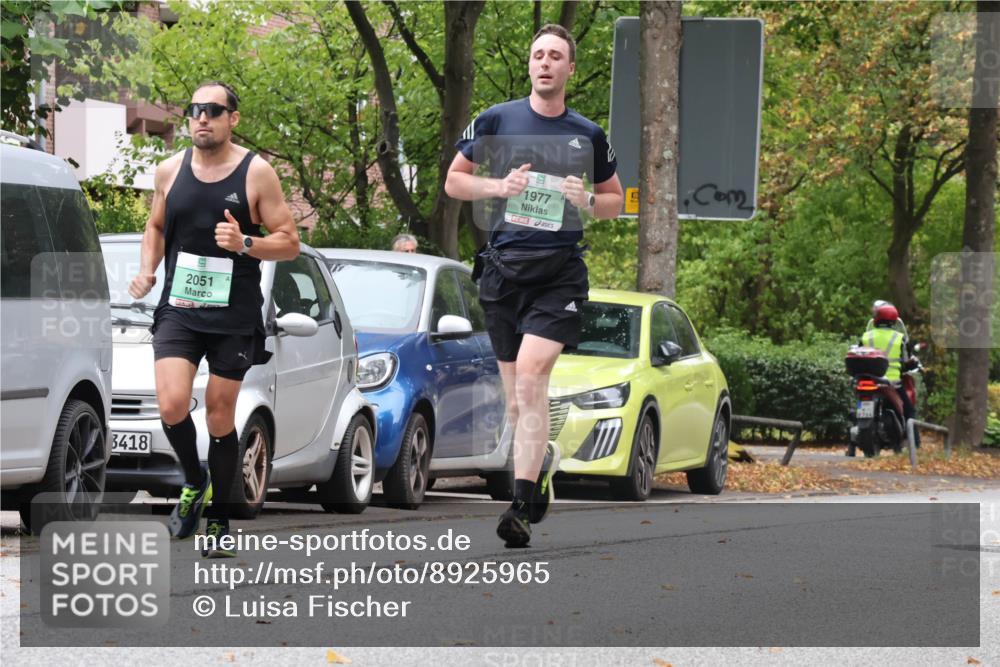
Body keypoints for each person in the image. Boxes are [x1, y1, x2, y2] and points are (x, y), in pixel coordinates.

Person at [445, 24, 624, 548]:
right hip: (504, 271)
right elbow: (454, 181)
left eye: (555, 56)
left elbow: (616, 201)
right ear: (530, 64)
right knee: (517, 404)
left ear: (570, 68)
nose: (545, 63)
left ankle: (520, 506)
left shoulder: (588, 134)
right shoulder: (496, 119)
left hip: (558, 273)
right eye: (538, 55)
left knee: (530, 379)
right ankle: (540, 462)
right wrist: (498, 185)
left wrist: (585, 199)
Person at [128, 81, 299, 557]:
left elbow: (289, 241)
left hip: (233, 313)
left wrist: (245, 243)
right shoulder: (169, 170)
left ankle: (219, 518)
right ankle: (193, 479)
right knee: (171, 405)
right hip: (179, 308)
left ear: (232, 119)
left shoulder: (256, 172)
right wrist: (147, 270)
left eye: (213, 110)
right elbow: (155, 226)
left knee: (221, 414)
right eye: (194, 109)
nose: (202, 117)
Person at [860, 302, 918, 447]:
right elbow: (906, 360)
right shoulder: (899, 338)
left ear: (876, 319)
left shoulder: (866, 336)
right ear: (893, 321)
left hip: (868, 380)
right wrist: (910, 364)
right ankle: (915, 445)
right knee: (909, 411)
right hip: (892, 382)